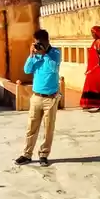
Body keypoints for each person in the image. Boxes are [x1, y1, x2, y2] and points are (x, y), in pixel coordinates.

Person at [17, 29, 62, 167]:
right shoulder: (35, 55)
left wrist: (45, 53)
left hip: (51, 98)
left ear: (46, 41)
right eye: (36, 43)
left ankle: (44, 154)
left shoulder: (55, 53)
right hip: (36, 97)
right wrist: (31, 55)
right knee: (31, 127)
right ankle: (27, 154)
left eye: (40, 43)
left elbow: (53, 68)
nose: (37, 45)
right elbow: (27, 70)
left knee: (48, 128)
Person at [81, 26, 100, 113]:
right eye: (91, 33)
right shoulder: (94, 42)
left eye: (93, 33)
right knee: (90, 84)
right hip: (92, 68)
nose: (92, 34)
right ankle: (89, 103)